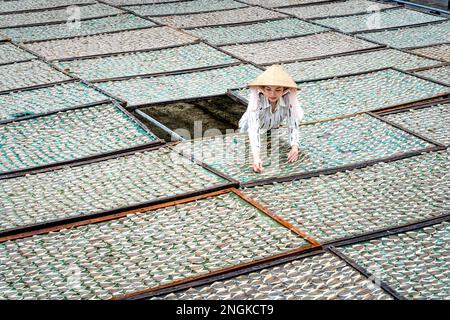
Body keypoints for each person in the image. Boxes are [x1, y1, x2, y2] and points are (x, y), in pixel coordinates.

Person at [238, 64, 304, 173]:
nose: (272, 94)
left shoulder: (287, 99)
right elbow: (253, 130)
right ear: (262, 89)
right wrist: (256, 158)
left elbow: (293, 124)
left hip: (270, 130)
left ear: (284, 90)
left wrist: (294, 146)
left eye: (278, 90)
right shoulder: (257, 102)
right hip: (247, 133)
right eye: (268, 89)